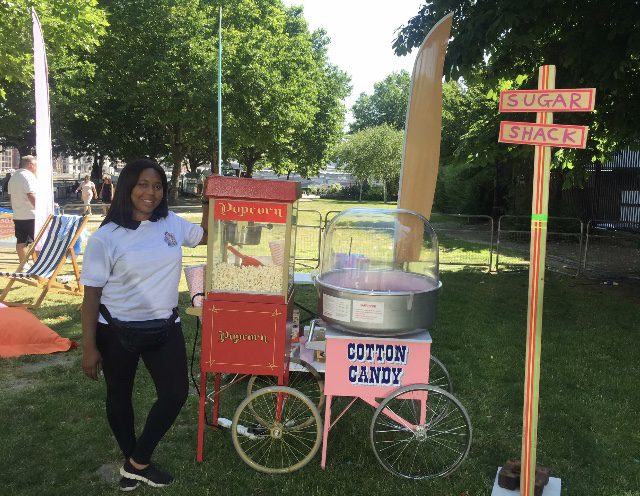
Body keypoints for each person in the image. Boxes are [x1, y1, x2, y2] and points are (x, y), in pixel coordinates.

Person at [80, 159, 208, 490]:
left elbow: (204, 236)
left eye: (157, 186)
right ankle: (134, 457)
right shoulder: (105, 238)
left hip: (165, 326)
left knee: (175, 393)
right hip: (115, 330)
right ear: (128, 187)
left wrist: (209, 199)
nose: (150, 192)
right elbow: (91, 297)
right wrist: (89, 347)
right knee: (119, 395)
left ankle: (137, 461)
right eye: (142, 184)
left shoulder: (171, 223)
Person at [8, 155, 37, 263]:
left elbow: (11, 196)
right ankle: (39, 266)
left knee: (21, 241)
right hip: (31, 214)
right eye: (35, 165)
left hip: (18, 214)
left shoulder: (14, 176)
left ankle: (23, 265)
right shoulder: (28, 176)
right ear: (30, 165)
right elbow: (31, 195)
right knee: (38, 241)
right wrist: (39, 210)